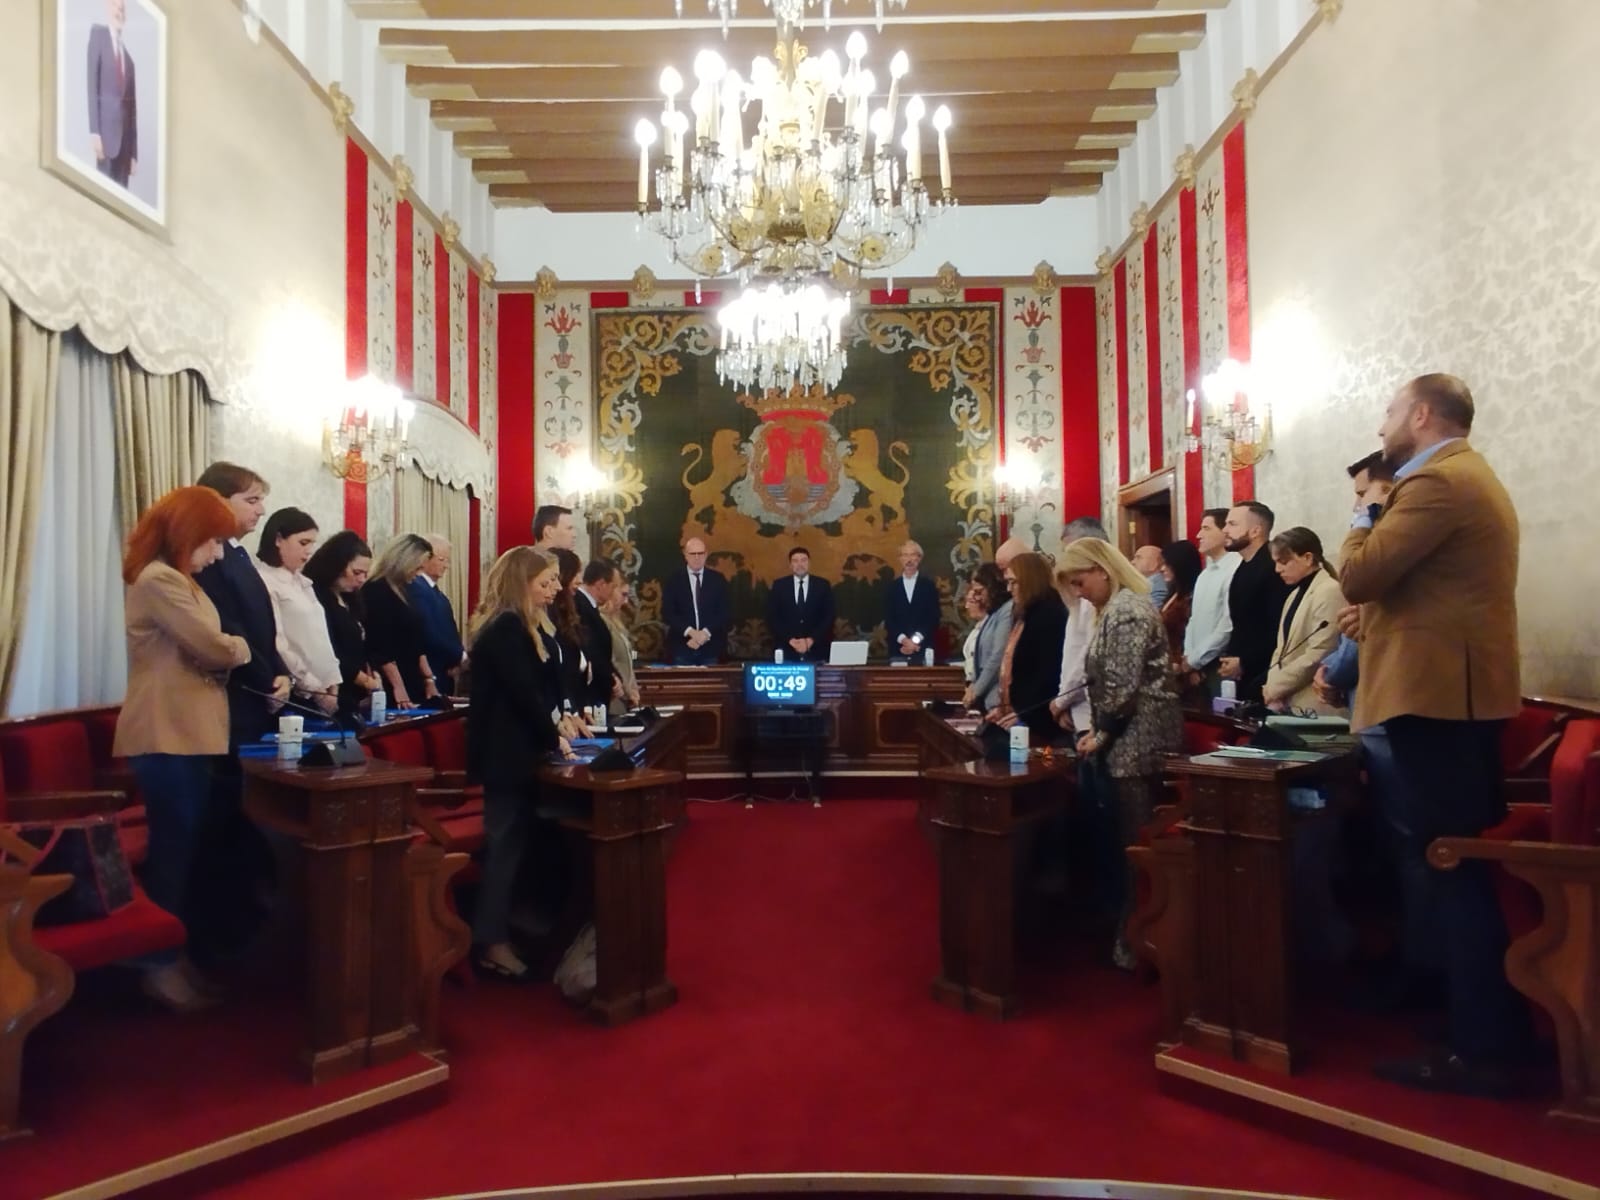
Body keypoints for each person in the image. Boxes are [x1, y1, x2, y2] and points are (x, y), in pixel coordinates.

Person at [1341, 372, 1529, 1096]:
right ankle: (1480, 1027)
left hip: (1438, 702)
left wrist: (1366, 508)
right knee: (1455, 866)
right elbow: (1419, 593)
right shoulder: (1466, 476)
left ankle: (1480, 1049)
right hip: (1458, 698)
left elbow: (1358, 574)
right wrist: (1378, 617)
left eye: (1390, 409)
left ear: (1420, 414)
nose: (1383, 422)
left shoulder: (1434, 483)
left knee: (1451, 867)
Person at [113, 487, 251, 1011]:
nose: (217, 553)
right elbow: (216, 646)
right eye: (213, 540)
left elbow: (213, 648)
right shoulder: (158, 579)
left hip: (189, 733)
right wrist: (236, 648)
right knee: (172, 853)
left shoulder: (181, 581)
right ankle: (156, 967)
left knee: (188, 851)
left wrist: (226, 650)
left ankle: (174, 957)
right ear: (187, 534)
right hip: (165, 732)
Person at [1057, 538, 1183, 970]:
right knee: (1122, 842)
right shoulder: (1112, 609)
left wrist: (1100, 734)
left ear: (1101, 569)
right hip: (1126, 738)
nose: (1078, 592)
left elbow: (1123, 688)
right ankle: (1131, 930)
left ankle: (1143, 937)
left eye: (1080, 581)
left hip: (1140, 744)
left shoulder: (1128, 609)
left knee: (1136, 845)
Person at [465, 547, 572, 981]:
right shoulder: (505, 628)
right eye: (545, 582)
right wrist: (555, 736)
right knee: (503, 849)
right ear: (521, 582)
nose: (555, 590)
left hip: (520, 753)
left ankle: (518, 928)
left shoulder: (524, 625)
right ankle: (490, 941)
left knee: (522, 845)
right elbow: (525, 694)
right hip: (504, 757)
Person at [195, 462, 289, 747]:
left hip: (260, 692)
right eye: (252, 501)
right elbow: (228, 625)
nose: (261, 510)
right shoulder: (208, 559)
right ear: (218, 501)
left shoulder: (238, 554)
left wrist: (282, 674)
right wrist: (267, 682)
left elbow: (263, 626)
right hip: (234, 695)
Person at [254, 508, 341, 715]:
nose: (309, 551)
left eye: (312, 544)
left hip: (326, 687)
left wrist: (332, 680)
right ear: (278, 540)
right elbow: (280, 642)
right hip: (297, 690)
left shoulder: (304, 582)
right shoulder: (265, 580)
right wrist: (315, 688)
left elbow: (320, 638)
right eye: (303, 543)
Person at [1261, 528, 1345, 714]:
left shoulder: (1330, 591)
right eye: (1276, 563)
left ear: (1308, 558)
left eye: (1284, 562)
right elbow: (1281, 651)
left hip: (1315, 703)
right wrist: (1272, 685)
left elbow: (1321, 651)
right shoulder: (1293, 596)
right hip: (1288, 700)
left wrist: (1277, 688)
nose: (1277, 569)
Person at [989, 551, 1068, 742]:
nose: (1009, 589)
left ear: (1030, 580)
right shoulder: (1026, 613)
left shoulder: (1049, 614)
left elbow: (1047, 673)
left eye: (1013, 582)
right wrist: (1004, 707)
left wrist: (1024, 712)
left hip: (1039, 720)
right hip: (1020, 714)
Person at [1217, 501, 1291, 703]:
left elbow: (1279, 629)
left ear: (1255, 530)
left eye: (1232, 524)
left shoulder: (1272, 568)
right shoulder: (1244, 566)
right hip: (1243, 672)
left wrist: (1245, 661)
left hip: (1266, 674)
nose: (1225, 530)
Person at [303, 531, 382, 716]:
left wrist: (372, 674)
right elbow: (330, 651)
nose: (362, 579)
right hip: (334, 690)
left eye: (365, 574)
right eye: (357, 572)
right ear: (336, 565)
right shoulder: (316, 596)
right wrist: (365, 681)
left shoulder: (350, 599)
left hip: (357, 694)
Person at [361, 534, 439, 709]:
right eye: (417, 568)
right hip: (391, 683)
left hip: (412, 677)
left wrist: (429, 679)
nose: (419, 574)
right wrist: (399, 687)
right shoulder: (376, 590)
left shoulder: (405, 589)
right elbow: (380, 647)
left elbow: (417, 642)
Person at [1049, 516, 1108, 738]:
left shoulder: (1098, 596)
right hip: (1077, 708)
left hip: (1093, 714)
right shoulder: (1081, 593)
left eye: (1070, 551)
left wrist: (1063, 700)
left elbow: (1089, 657)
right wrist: (1065, 701)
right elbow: (1072, 651)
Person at [1179, 509, 1239, 696]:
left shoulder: (1235, 568)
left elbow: (1226, 625)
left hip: (1219, 663)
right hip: (1197, 665)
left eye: (1206, 528)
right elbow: (1194, 620)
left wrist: (1196, 659)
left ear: (1224, 533)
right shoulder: (1205, 574)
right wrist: (1189, 657)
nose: (1199, 535)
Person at [87, 0, 137, 187]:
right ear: (108, 7)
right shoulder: (98, 35)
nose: (119, 12)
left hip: (125, 149)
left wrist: (133, 154)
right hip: (106, 139)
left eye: (122, 9)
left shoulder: (130, 62)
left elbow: (132, 113)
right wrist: (94, 131)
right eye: (116, 6)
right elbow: (92, 84)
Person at [409, 533, 466, 695]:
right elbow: (428, 632)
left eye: (448, 560)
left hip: (444, 672)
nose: (446, 565)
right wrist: (459, 656)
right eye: (442, 560)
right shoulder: (417, 589)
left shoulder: (437, 594)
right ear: (425, 558)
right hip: (430, 673)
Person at [660, 536, 730, 665]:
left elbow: (724, 613)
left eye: (700, 553)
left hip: (711, 648)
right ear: (686, 555)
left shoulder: (718, 580)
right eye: (693, 554)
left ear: (706, 554)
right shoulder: (674, 580)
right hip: (682, 647)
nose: (697, 557)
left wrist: (704, 634)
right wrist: (691, 632)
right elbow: (668, 612)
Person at [766, 546, 834, 662]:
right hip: (787, 649)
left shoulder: (822, 585)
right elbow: (772, 617)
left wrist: (810, 640)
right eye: (795, 561)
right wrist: (790, 640)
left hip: (817, 649)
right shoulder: (779, 586)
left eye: (803, 560)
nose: (800, 564)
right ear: (790, 565)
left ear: (809, 563)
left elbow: (829, 616)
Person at [961, 563, 1012, 713]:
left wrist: (976, 690)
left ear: (993, 588)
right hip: (989, 700)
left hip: (998, 699)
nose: (978, 598)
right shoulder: (994, 614)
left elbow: (998, 655)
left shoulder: (1006, 612)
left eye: (979, 592)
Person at [572, 560, 619, 711]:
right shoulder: (579, 605)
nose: (613, 592)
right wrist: (611, 680)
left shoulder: (589, 606)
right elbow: (592, 651)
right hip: (590, 695)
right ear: (601, 584)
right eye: (613, 587)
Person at [885, 540, 941, 661]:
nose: (909, 560)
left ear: (919, 558)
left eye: (912, 555)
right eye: (905, 555)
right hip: (898, 649)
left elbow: (933, 617)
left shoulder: (929, 586)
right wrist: (904, 641)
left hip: (923, 647)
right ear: (900, 559)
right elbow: (889, 618)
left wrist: (915, 641)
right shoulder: (892, 587)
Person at [1157, 540, 1202, 677]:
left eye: (1167, 564)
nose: (1162, 568)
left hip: (1183, 666)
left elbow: (1190, 633)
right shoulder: (1172, 593)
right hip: (1167, 665)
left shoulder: (1191, 598)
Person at [603, 576, 641, 715]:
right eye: (623, 595)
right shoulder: (602, 622)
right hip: (615, 696)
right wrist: (627, 690)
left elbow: (626, 661)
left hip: (626, 698)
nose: (626, 602)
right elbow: (610, 661)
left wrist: (634, 687)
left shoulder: (617, 623)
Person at [1131, 545, 1170, 610]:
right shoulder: (1147, 583)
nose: (1132, 562)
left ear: (1155, 563)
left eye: (1138, 557)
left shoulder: (1158, 586)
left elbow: (1153, 613)